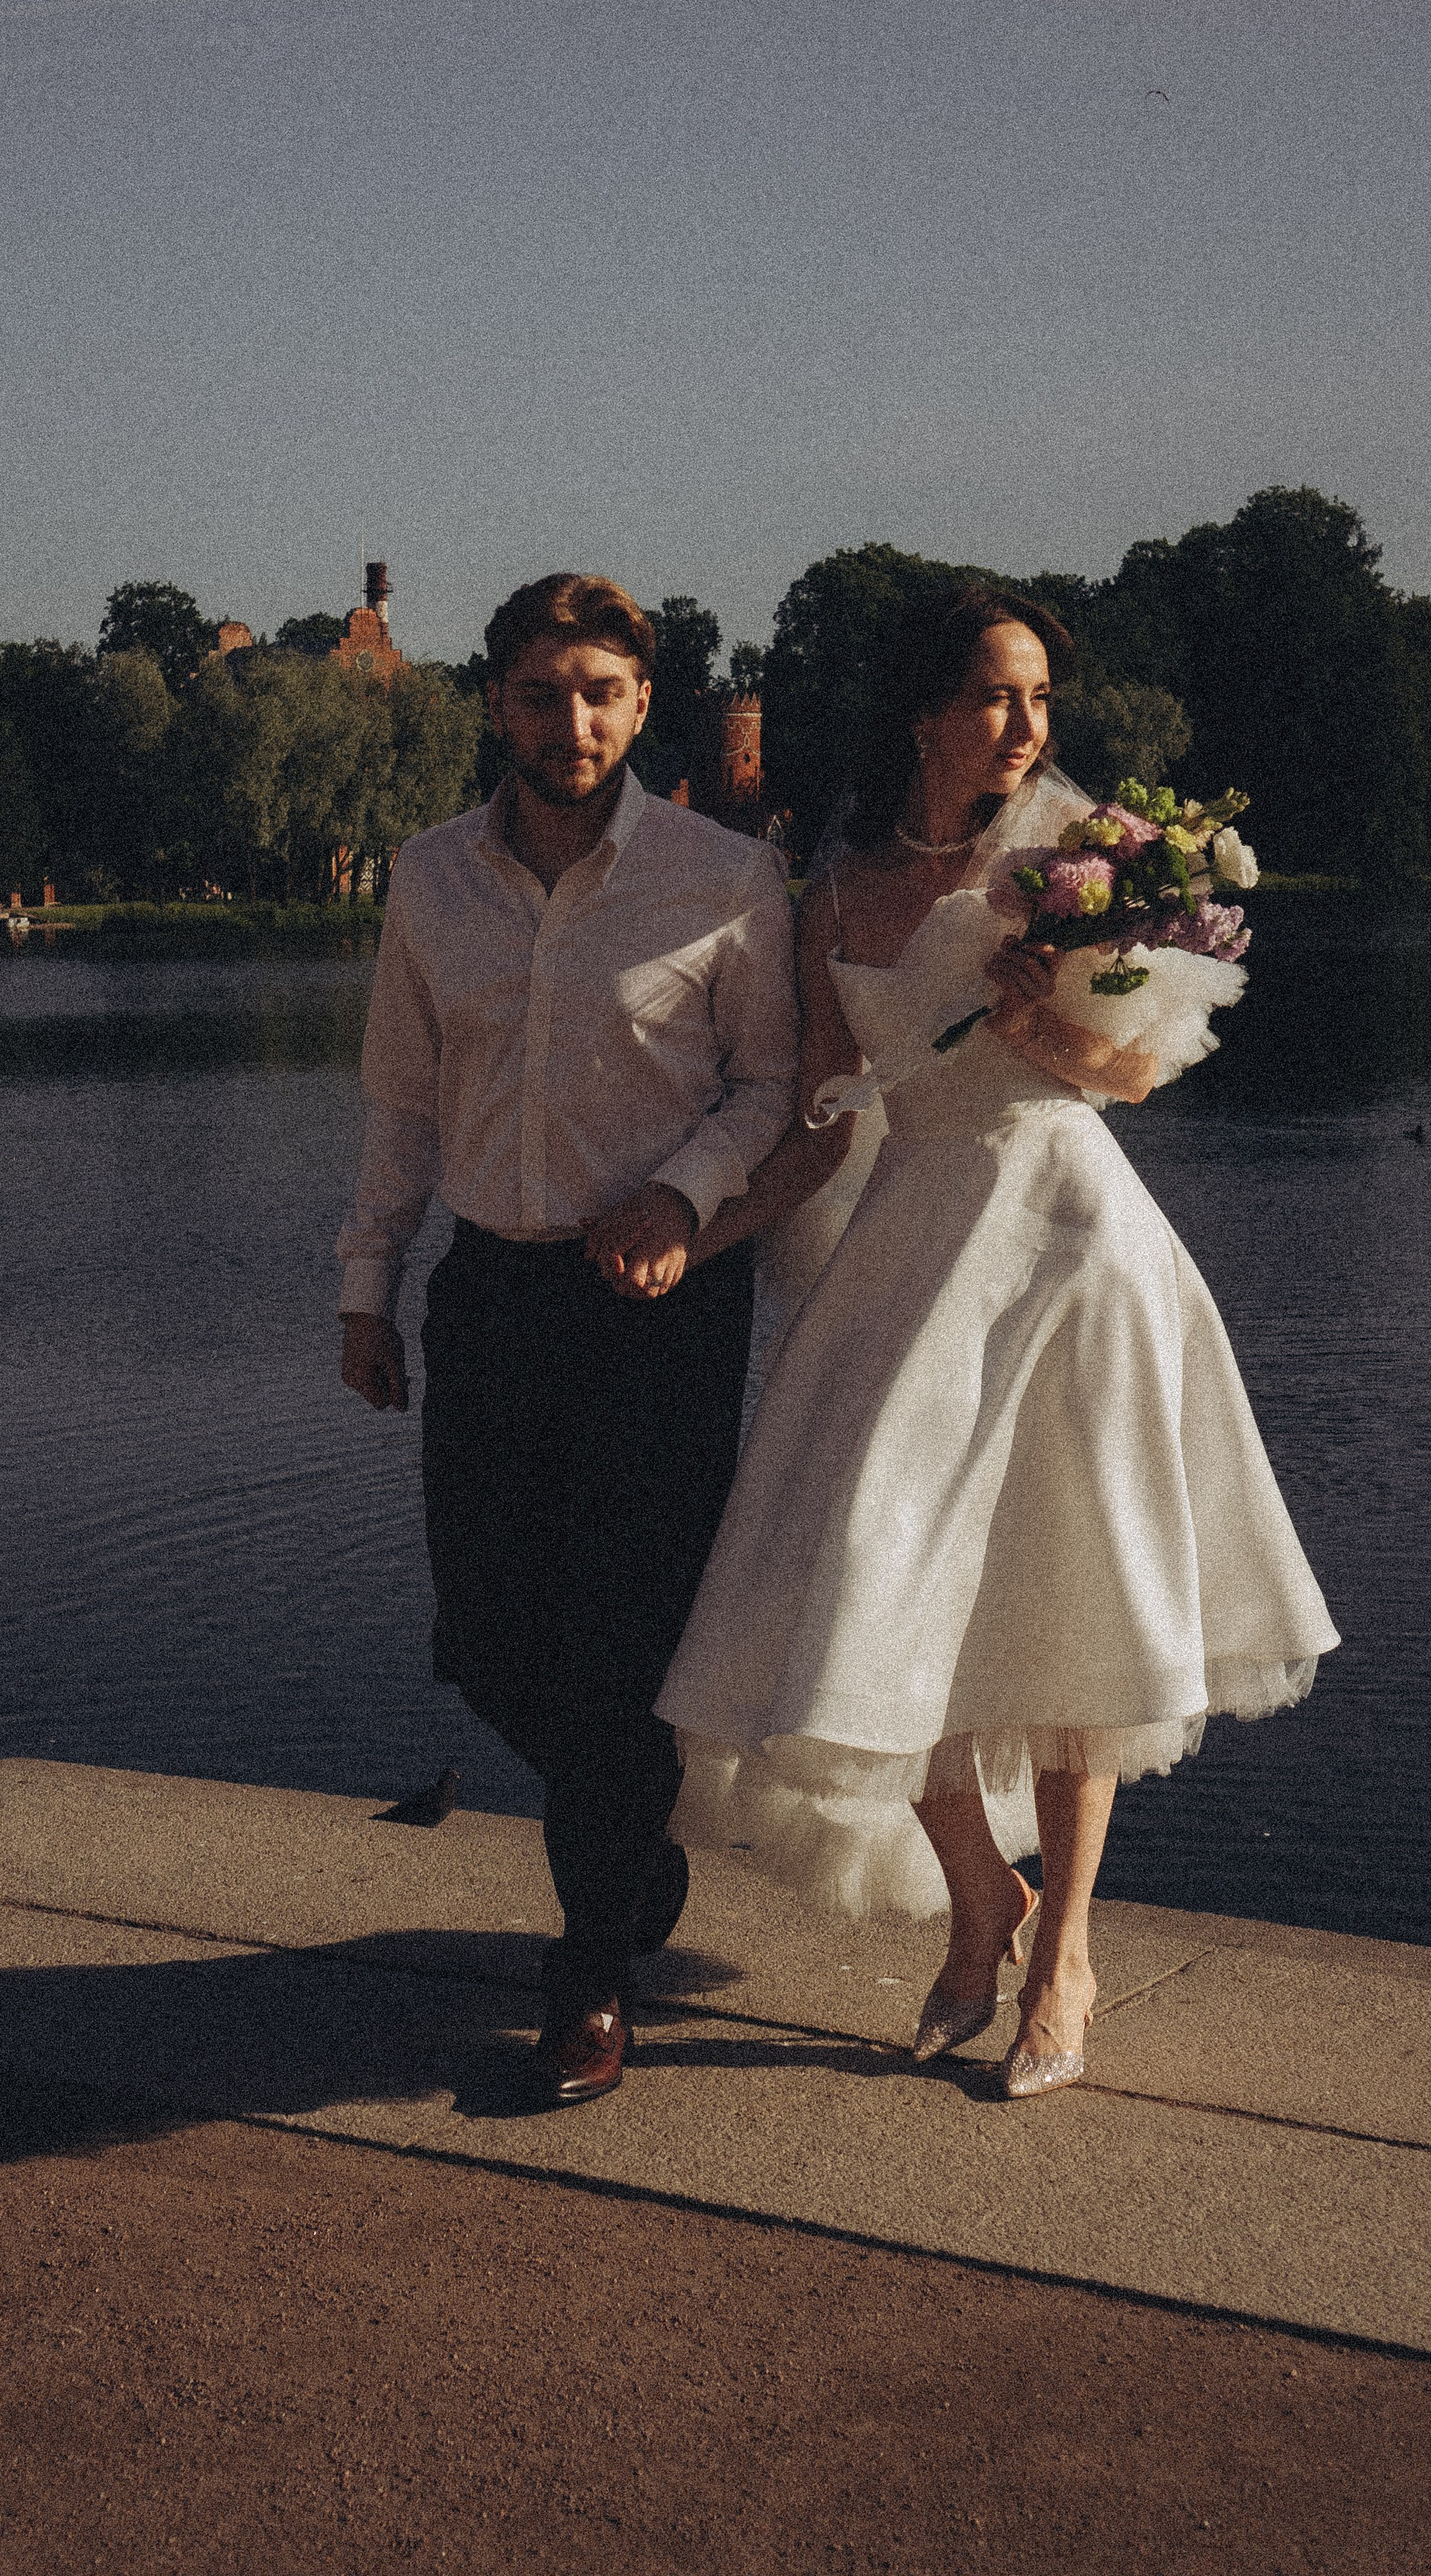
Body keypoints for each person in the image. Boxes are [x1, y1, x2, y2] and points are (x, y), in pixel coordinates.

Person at [656, 586, 1337, 2098]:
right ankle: (982, 1896)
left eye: (1038, 699)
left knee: (1070, 1588)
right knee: (865, 1570)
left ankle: (1064, 1955)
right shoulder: (830, 890)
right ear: (923, 714)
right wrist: (693, 1235)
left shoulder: (1076, 864)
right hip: (909, 1246)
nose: (1026, 726)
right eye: (994, 695)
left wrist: (1041, 1021)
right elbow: (817, 1124)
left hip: (1070, 1244)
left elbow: (1129, 1076)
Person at [338, 573, 797, 2105]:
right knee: (481, 1641)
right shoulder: (430, 878)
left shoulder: (725, 878)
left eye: (601, 692)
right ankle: (637, 1845)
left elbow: (768, 1086)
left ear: (643, 703)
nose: (572, 722)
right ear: (495, 703)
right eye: (541, 693)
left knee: (612, 1653)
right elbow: (402, 1097)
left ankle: (591, 1973)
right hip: (489, 1293)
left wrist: (681, 1196)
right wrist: (365, 1287)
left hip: (653, 1309)